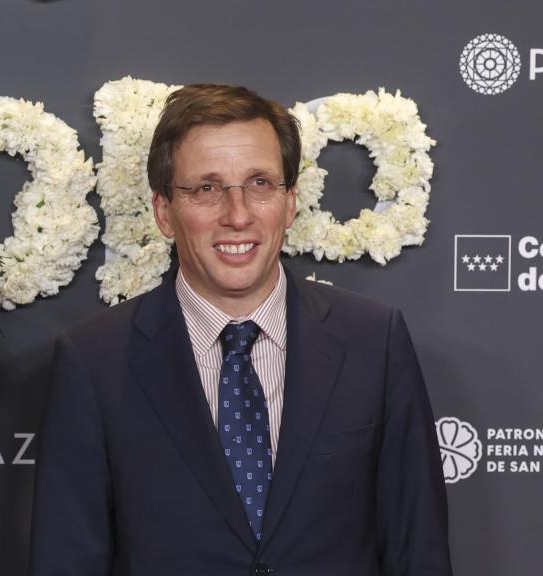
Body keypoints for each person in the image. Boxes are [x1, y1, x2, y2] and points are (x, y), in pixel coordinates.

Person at [30, 84, 452, 575]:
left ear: (290, 202)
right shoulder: (93, 360)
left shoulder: (374, 342)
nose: (237, 215)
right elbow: (67, 559)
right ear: (164, 211)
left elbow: (417, 549)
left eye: (260, 184)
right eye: (206, 188)